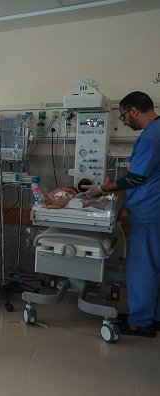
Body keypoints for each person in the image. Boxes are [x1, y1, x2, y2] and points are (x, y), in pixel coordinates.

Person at [82, 91, 160, 338]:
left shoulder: (150, 137)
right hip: (154, 208)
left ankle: (140, 322)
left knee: (143, 267)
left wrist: (100, 189)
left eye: (124, 116)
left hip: (149, 211)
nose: (124, 122)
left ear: (134, 111)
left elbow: (136, 177)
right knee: (154, 265)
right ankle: (151, 316)